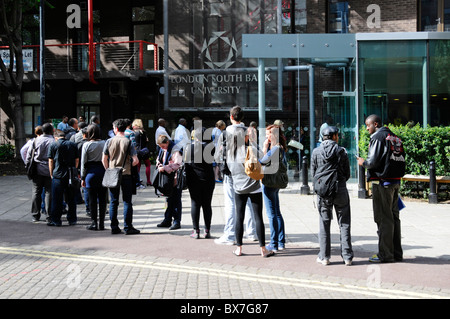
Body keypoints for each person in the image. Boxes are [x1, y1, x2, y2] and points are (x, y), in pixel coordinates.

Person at [225, 106, 273, 258]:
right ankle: (263, 249)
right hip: (253, 183)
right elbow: (263, 158)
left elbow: (228, 164)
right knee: (258, 216)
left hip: (238, 184)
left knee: (239, 216)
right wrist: (264, 147)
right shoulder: (250, 140)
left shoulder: (229, 143)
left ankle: (239, 249)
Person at [357, 114, 404, 263]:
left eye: (368, 125)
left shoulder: (378, 137)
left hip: (382, 183)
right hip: (395, 182)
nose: (367, 128)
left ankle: (385, 254)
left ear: (375, 124)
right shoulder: (394, 137)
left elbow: (372, 161)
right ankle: (396, 253)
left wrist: (363, 162)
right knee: (394, 217)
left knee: (383, 219)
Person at [311, 126, 353, 266]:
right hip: (340, 189)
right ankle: (347, 257)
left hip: (323, 192)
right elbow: (347, 174)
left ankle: (325, 257)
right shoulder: (341, 152)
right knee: (344, 223)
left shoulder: (316, 152)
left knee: (324, 223)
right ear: (335, 136)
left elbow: (314, 173)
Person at [213, 119, 259, 246]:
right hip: (247, 171)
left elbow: (218, 155)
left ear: (231, 117)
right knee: (249, 202)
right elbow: (255, 150)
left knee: (230, 202)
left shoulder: (225, 133)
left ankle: (230, 234)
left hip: (230, 172)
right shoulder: (248, 131)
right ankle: (251, 232)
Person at [102, 118, 140, 235]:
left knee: (113, 202)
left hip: (113, 173)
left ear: (116, 128)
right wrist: (128, 164)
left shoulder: (109, 141)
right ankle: (128, 227)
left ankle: (114, 227)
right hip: (126, 174)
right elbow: (136, 160)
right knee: (127, 201)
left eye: (113, 128)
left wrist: (108, 169)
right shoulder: (128, 142)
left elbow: (104, 159)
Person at [259, 124, 287, 252]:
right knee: (277, 213)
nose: (266, 136)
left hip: (269, 183)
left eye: (268, 134)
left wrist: (264, 148)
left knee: (272, 214)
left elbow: (262, 161)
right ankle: (280, 242)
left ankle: (274, 244)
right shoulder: (280, 147)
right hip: (276, 183)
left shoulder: (275, 148)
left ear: (273, 135)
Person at [184, 129, 215, 239]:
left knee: (195, 203)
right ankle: (207, 230)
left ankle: (195, 230)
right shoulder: (210, 147)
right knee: (207, 204)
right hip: (208, 178)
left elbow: (186, 163)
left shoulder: (189, 147)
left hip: (194, 178)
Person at [47, 130, 79, 226]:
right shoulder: (73, 145)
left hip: (58, 174)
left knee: (56, 199)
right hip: (70, 174)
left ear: (55, 137)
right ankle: (72, 219)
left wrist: (51, 173)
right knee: (71, 198)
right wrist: (74, 170)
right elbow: (77, 159)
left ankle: (56, 220)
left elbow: (51, 161)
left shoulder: (53, 145)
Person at [24, 123, 54, 222]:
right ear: (51, 131)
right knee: (49, 192)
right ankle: (49, 215)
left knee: (36, 192)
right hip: (50, 170)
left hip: (37, 169)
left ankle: (35, 215)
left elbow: (29, 155)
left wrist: (28, 166)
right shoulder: (53, 141)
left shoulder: (35, 140)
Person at [81, 124, 107, 231]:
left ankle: (94, 222)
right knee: (103, 199)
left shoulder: (86, 145)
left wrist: (82, 177)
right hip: (102, 172)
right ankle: (102, 223)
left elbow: (83, 163)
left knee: (92, 200)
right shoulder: (104, 143)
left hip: (90, 173)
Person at [156, 135, 183, 230]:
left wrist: (166, 168)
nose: (162, 148)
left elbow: (178, 164)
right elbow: (158, 159)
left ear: (167, 142)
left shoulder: (175, 150)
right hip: (167, 178)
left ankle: (176, 221)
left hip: (175, 178)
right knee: (168, 199)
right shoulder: (163, 149)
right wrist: (159, 165)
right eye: (160, 146)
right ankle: (167, 219)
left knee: (176, 200)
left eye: (163, 146)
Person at [133, 119, 152, 186]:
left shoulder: (134, 133)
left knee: (138, 166)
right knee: (148, 165)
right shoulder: (143, 132)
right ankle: (148, 181)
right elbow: (146, 141)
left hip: (137, 151)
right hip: (144, 151)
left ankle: (137, 181)